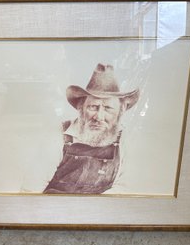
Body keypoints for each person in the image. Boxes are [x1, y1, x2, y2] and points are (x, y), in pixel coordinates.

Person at [43, 63, 139, 194]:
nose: (99, 117)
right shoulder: (60, 133)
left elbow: (125, 187)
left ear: (120, 112)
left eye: (108, 108)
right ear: (81, 108)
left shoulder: (125, 139)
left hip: (101, 208)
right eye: (93, 107)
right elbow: (32, 186)